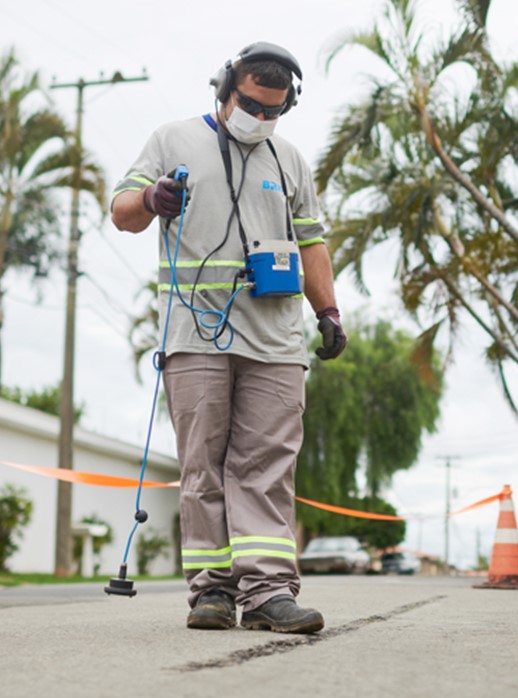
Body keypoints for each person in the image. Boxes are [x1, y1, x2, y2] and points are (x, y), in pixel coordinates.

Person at [110, 42, 346, 634]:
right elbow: (121, 211)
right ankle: (211, 593)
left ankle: (269, 593)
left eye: (274, 111)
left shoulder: (289, 160)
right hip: (197, 335)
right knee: (203, 467)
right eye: (251, 106)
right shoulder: (173, 141)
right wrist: (150, 197)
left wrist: (330, 312)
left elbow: (312, 241)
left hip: (275, 341)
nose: (261, 120)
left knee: (266, 467)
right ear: (223, 89)